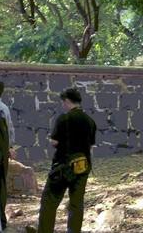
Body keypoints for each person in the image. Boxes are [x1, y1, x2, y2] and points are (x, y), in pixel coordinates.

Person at [35, 87, 97, 233]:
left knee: (49, 202)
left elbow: (55, 142)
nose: (63, 104)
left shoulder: (63, 118)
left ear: (68, 101)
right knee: (76, 203)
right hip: (82, 165)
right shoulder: (90, 121)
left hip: (62, 165)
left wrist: (51, 141)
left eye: (63, 101)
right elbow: (91, 143)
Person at [0, 79, 15, 230]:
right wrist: (10, 147)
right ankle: (0, 219)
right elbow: (10, 131)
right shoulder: (3, 108)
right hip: (3, 151)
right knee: (1, 185)